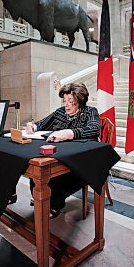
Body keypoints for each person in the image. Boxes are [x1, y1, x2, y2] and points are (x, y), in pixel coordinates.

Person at [23, 82, 101, 218]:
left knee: (60, 176)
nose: (66, 104)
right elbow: (42, 123)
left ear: (80, 100)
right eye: (65, 101)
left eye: (70, 101)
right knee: (37, 167)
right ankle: (42, 198)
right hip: (59, 155)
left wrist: (70, 133)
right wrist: (33, 126)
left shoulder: (90, 112)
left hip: (80, 160)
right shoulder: (60, 112)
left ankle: (53, 203)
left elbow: (94, 128)